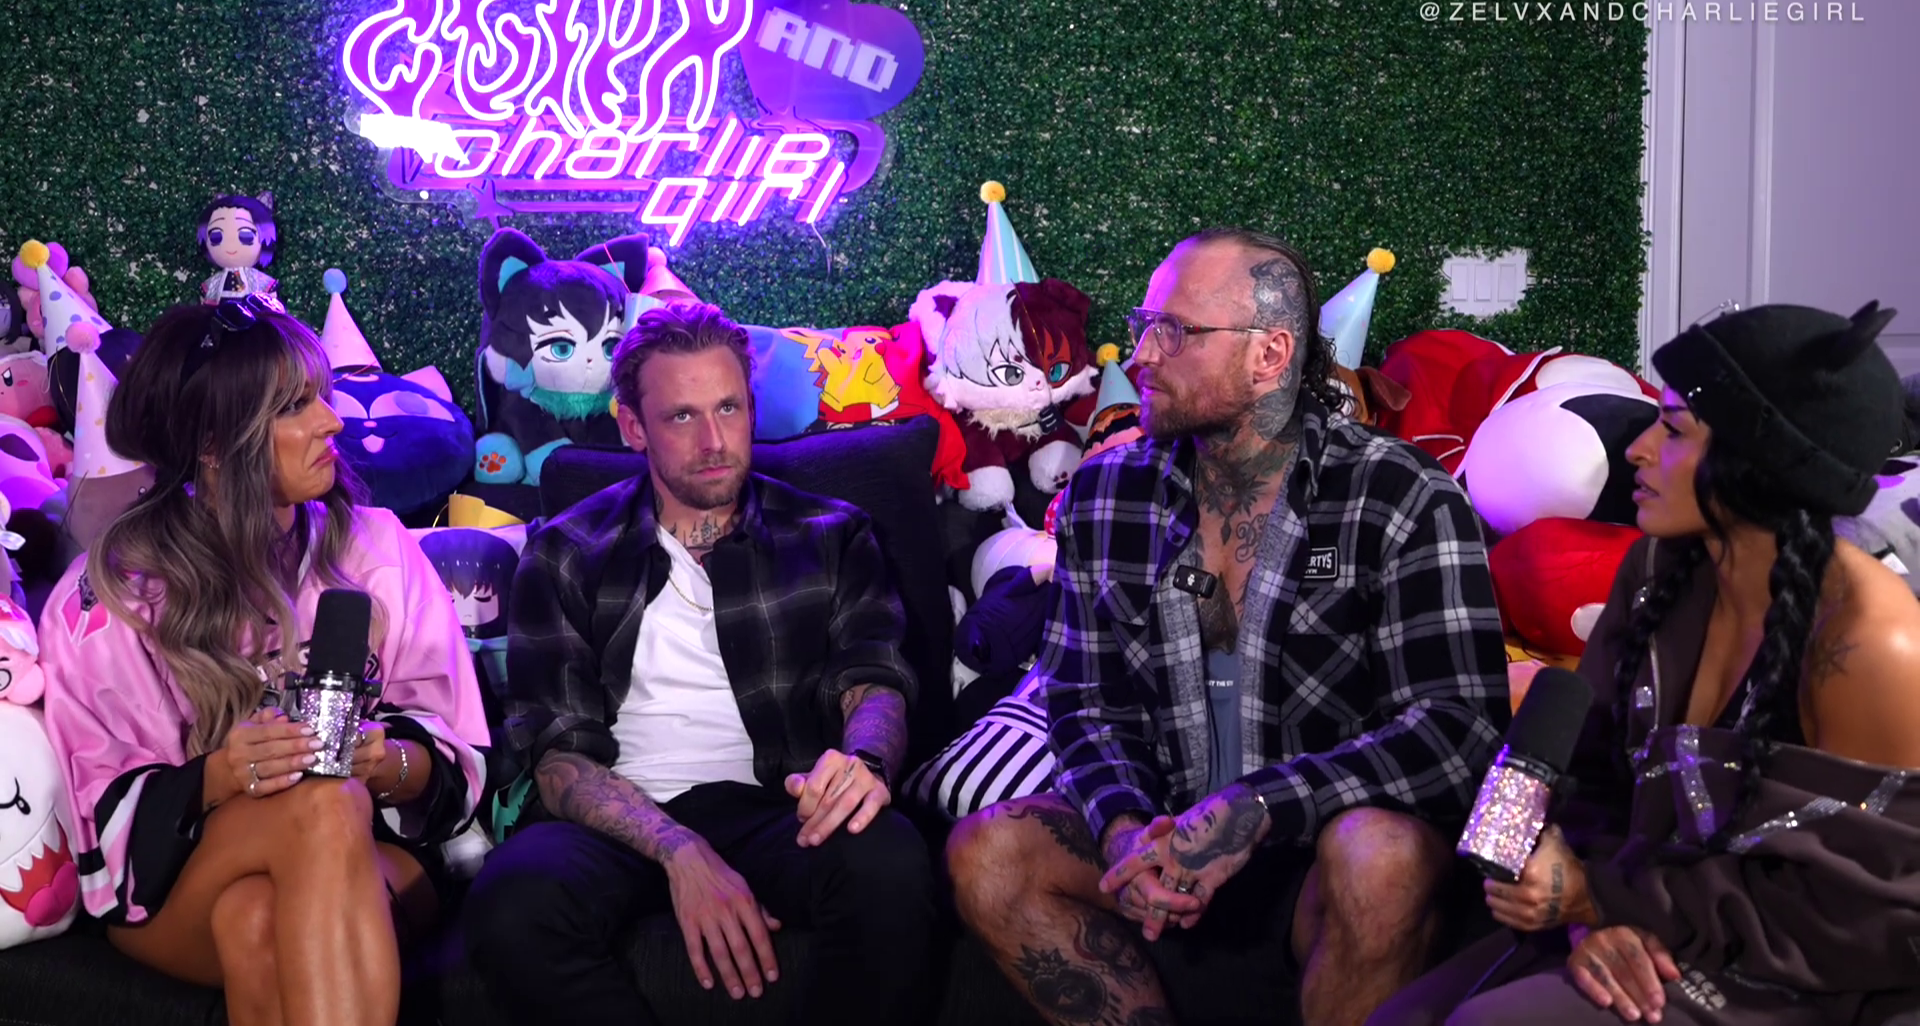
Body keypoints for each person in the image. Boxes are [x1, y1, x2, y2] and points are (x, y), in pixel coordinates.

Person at [946, 228, 1513, 1026]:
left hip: (1318, 860)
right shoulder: (1106, 493)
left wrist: (1253, 809)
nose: (1141, 356)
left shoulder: (1401, 495)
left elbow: (1458, 730)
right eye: (1144, 326)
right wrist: (1125, 830)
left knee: (1382, 855)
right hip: (1163, 843)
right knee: (989, 851)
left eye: (1173, 331)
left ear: (1270, 354)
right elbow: (1083, 700)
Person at [1369, 302, 1920, 1026]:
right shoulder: (1656, 572)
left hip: (1804, 973)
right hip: (1639, 912)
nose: (1637, 448)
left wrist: (1599, 899)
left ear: (1761, 462)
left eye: (1673, 429)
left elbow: (1865, 918)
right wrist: (1581, 901)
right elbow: (1583, 774)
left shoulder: (1873, 644)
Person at [463, 301, 934, 1025]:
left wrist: (863, 764)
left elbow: (873, 679)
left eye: (729, 408)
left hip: (782, 805)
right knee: (512, 901)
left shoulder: (831, 534)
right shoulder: (566, 552)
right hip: (620, 821)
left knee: (890, 859)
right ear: (633, 428)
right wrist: (677, 849)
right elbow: (558, 759)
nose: (714, 441)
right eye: (682, 416)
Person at [37, 296, 490, 1026]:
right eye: (294, 407)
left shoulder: (377, 549)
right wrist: (223, 773)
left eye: (323, 396)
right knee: (321, 804)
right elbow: (101, 807)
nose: (333, 422)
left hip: (369, 853)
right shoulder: (115, 594)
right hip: (178, 883)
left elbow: (453, 749)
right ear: (213, 444)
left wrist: (387, 762)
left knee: (258, 917)